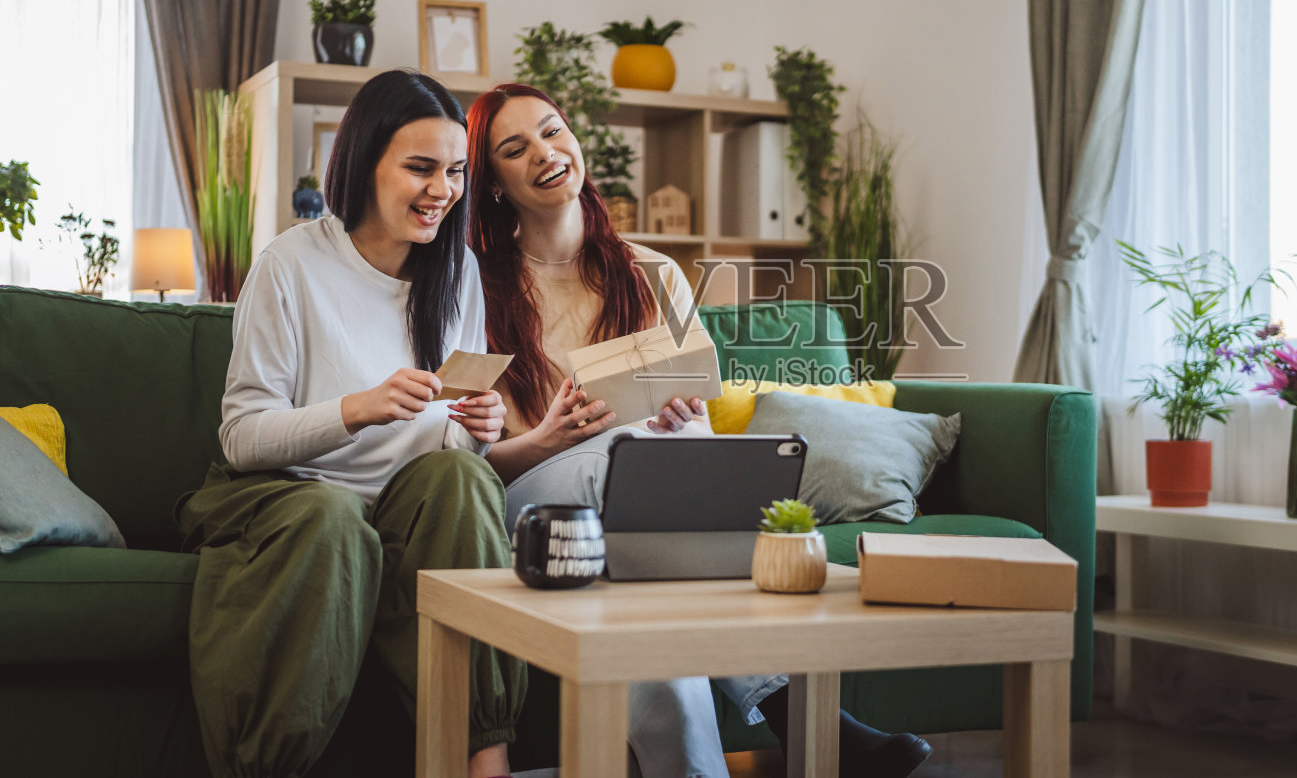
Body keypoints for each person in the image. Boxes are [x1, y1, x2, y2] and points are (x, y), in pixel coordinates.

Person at [465, 82, 932, 778]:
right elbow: (471, 469)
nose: (545, 153)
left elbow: (703, 431)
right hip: (536, 502)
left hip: (636, 504)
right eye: (515, 148)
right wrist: (550, 438)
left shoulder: (652, 272)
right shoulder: (473, 286)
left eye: (553, 131)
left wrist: (677, 419)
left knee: (659, 578)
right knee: (628, 462)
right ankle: (798, 715)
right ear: (494, 183)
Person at [180, 69, 527, 778]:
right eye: (420, 168)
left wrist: (478, 427)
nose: (443, 191)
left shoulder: (455, 271)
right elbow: (243, 436)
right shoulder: (290, 264)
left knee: (464, 478)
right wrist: (354, 410)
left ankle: (483, 761)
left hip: (406, 503)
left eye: (457, 171)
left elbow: (449, 442)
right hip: (288, 493)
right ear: (365, 160)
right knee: (332, 517)